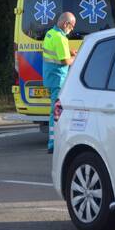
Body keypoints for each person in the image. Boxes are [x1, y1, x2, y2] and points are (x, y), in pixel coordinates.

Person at [42, 11, 76, 154]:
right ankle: (53, 143)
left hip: (50, 76)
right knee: (56, 112)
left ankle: (54, 141)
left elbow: (54, 51)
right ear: (65, 23)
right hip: (58, 78)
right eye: (72, 26)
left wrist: (69, 51)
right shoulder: (61, 38)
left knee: (55, 110)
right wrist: (76, 58)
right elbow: (65, 61)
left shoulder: (50, 33)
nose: (72, 29)